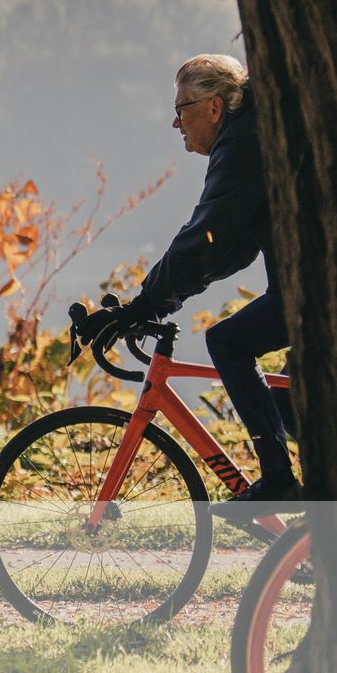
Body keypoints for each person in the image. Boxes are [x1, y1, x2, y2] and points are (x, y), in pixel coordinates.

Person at [113, 53, 300, 507]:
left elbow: (207, 235)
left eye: (180, 109)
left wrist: (145, 303)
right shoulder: (251, 134)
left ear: (213, 107)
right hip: (303, 292)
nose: (176, 124)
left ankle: (278, 482)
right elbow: (230, 248)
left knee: (228, 342)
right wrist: (160, 300)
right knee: (290, 406)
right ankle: (323, 522)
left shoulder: (240, 145)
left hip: (307, 294)